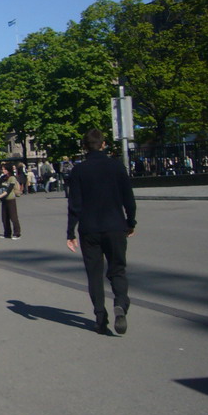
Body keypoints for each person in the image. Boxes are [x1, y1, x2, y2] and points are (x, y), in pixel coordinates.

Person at [65, 129, 137, 335]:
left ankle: (100, 316)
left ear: (84, 147)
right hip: (115, 226)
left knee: (94, 274)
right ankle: (120, 304)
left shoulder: (79, 171)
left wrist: (70, 232)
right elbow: (128, 198)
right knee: (117, 269)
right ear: (104, 144)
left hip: (89, 230)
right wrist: (131, 221)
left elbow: (74, 205)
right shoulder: (116, 166)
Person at [0, 163, 22, 239]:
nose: (3, 170)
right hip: (4, 200)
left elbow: (9, 189)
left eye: (4, 169)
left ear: (8, 170)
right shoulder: (3, 177)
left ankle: (17, 233)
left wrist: (0, 196)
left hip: (10, 199)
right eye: (2, 169)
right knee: (4, 218)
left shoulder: (12, 178)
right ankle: (7, 233)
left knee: (13, 217)